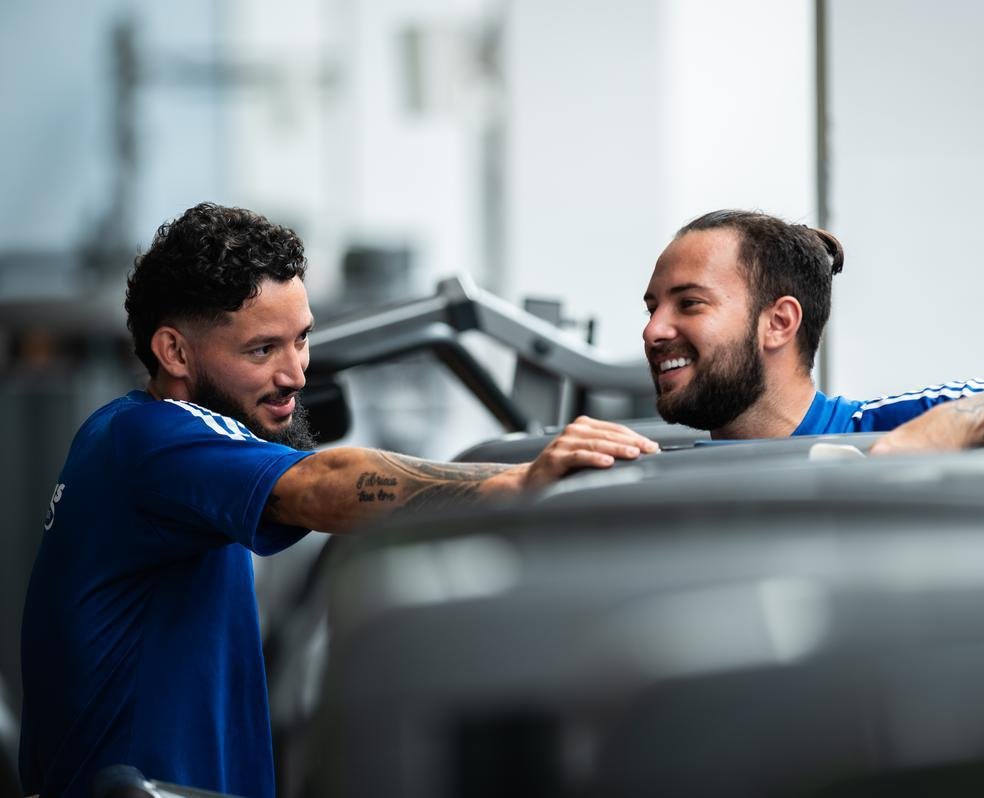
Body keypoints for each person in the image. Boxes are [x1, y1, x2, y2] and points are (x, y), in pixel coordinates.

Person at [19, 203, 658, 798]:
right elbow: (322, 485)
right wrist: (512, 484)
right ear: (175, 352)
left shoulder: (127, 435)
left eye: (301, 338)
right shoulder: (160, 435)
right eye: (262, 350)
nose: (296, 373)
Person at [642, 209, 984, 449]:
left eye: (688, 303)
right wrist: (556, 482)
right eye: (652, 308)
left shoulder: (879, 429)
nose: (653, 331)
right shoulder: (645, 470)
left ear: (779, 323)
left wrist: (951, 428)